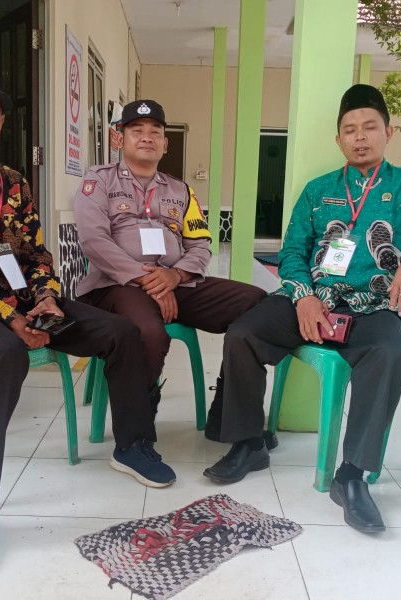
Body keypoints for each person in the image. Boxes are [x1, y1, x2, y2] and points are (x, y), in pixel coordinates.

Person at [0, 70, 164, 576]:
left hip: (20, 301)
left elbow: (36, 253)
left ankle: (132, 444)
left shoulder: (13, 182)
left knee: (120, 332)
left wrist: (44, 297)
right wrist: (10, 317)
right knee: (5, 352)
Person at [203, 84, 401, 533]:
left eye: (369, 127)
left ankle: (352, 474)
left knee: (390, 353)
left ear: (388, 132)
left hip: (374, 307)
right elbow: (293, 251)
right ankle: (249, 443)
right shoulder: (319, 191)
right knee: (244, 333)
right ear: (339, 140)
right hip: (314, 299)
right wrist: (303, 295)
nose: (360, 136)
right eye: (350, 130)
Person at [74, 99, 266, 439]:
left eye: (155, 132)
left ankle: (227, 413)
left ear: (166, 143)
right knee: (147, 333)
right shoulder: (98, 181)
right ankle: (138, 426)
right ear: (119, 138)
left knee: (256, 302)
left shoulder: (181, 190)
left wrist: (175, 276)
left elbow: (200, 244)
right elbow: (94, 241)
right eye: (137, 130)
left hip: (175, 281)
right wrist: (148, 279)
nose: (147, 137)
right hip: (116, 286)